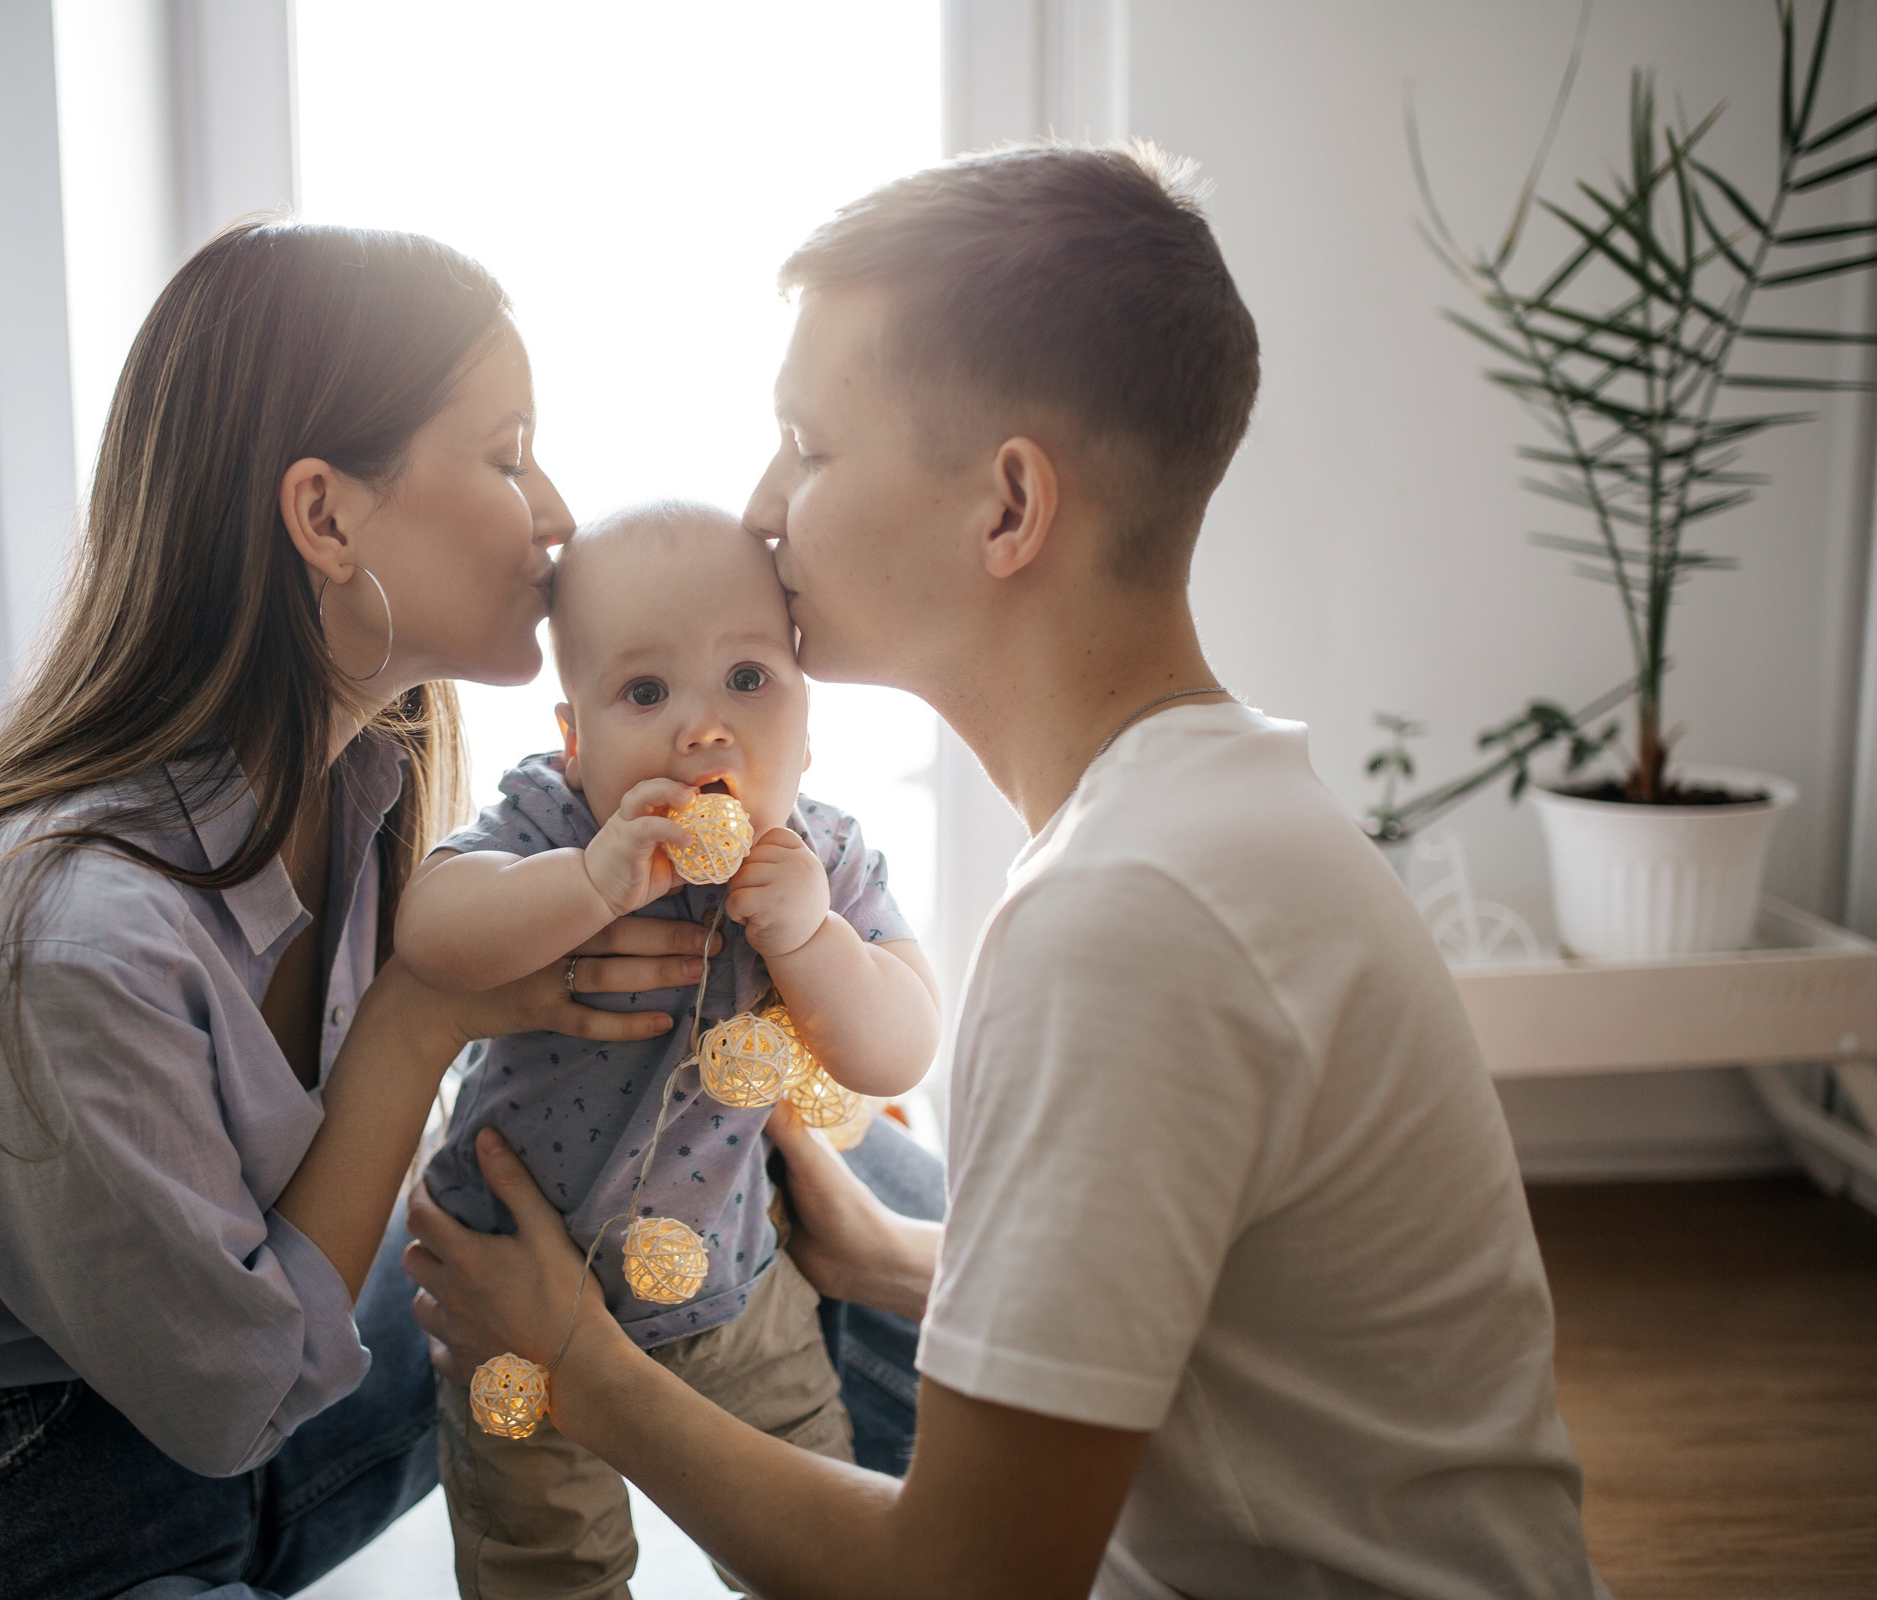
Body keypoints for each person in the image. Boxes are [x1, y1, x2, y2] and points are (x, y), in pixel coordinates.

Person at [405, 143, 1608, 1599]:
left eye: (811, 447)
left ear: (1009, 508)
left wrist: (579, 1367)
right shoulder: (1209, 820)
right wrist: (891, 1258)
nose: (764, 506)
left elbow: (965, 1583)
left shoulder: (1129, 917)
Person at [0, 219, 941, 1600]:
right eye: (508, 454)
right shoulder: (68, 942)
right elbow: (231, 1398)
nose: (557, 514)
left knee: (811, 1161)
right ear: (327, 517)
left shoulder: (362, 773)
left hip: (250, 1360)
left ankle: (975, 1532)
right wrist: (420, 1016)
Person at [396, 502, 940, 1598]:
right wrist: (587, 884)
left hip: (737, 1283)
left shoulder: (822, 854)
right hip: (514, 1289)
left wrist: (813, 941)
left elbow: (902, 1045)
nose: (703, 728)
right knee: (545, 1567)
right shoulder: (553, 823)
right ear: (575, 740)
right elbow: (431, 928)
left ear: (807, 721)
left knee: (811, 1538)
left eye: (748, 678)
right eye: (646, 693)